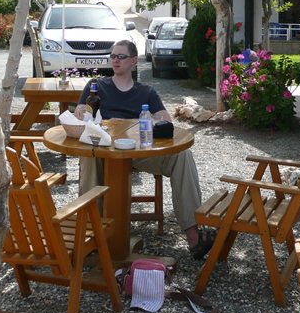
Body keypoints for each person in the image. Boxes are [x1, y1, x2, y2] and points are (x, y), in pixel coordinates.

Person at [77, 39, 216, 259]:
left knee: (182, 155)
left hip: (139, 152)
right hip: (104, 151)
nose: (115, 60)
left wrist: (144, 120)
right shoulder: (97, 86)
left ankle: (193, 234)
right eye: (113, 56)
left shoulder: (146, 92)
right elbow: (80, 114)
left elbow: (164, 121)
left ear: (133, 61)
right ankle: (91, 234)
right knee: (88, 156)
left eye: (121, 56)